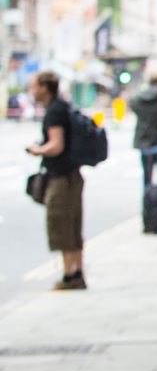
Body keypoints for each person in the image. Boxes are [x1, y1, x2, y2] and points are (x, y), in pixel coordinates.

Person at [25, 71, 87, 290]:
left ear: (44, 87)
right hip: (71, 175)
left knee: (61, 224)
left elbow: (56, 145)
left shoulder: (54, 111)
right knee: (73, 225)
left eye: (33, 86)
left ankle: (70, 275)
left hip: (62, 177)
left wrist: (36, 150)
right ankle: (77, 272)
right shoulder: (63, 106)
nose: (30, 91)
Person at [129, 73, 157, 195]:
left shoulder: (138, 98)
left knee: (147, 179)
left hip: (144, 142)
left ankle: (148, 206)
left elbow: (132, 105)